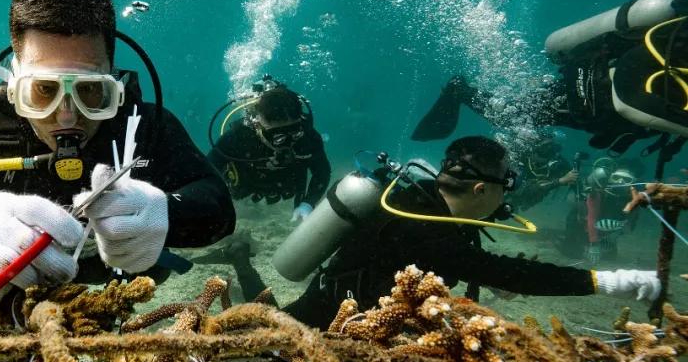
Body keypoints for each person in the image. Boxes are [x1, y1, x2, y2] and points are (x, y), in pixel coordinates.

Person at [0, 0, 236, 311]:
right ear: (14, 87)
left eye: (89, 90)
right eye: (44, 90)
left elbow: (217, 203)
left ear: (113, 84)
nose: (67, 117)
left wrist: (166, 212)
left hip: (125, 286)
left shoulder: (143, 125)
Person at [225, 137, 660, 328]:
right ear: (480, 189)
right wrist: (612, 282)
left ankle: (242, 260)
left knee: (269, 318)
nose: (508, 198)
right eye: (506, 185)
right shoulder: (425, 228)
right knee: (265, 331)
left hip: (367, 309)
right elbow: (510, 273)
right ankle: (241, 258)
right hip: (330, 312)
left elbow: (475, 267)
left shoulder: (429, 202)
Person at [411, 0, 688, 162]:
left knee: (519, 115)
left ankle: (462, 91)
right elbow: (629, 99)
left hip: (597, 105)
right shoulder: (671, 46)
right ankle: (460, 91)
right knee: (515, 116)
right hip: (590, 89)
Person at [207, 77, 331, 222]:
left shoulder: (308, 136)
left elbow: (322, 171)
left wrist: (308, 203)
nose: (287, 142)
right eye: (278, 137)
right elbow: (208, 169)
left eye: (294, 132)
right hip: (246, 182)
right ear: (258, 125)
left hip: (288, 183)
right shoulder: (239, 137)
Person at [560, 160, 640, 265]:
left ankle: (594, 241)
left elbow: (630, 222)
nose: (620, 182)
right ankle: (566, 237)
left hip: (606, 228)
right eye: (616, 177)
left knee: (609, 258)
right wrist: (594, 245)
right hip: (581, 221)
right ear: (610, 178)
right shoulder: (597, 192)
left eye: (627, 179)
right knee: (571, 252)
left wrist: (615, 235)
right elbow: (591, 217)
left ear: (633, 183)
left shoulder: (633, 198)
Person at [507, 134, 578, 212]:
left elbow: (574, 178)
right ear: (533, 150)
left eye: (551, 148)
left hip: (523, 201)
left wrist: (573, 182)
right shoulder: (521, 160)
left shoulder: (557, 162)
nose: (548, 152)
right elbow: (527, 189)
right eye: (544, 148)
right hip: (511, 196)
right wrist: (561, 181)